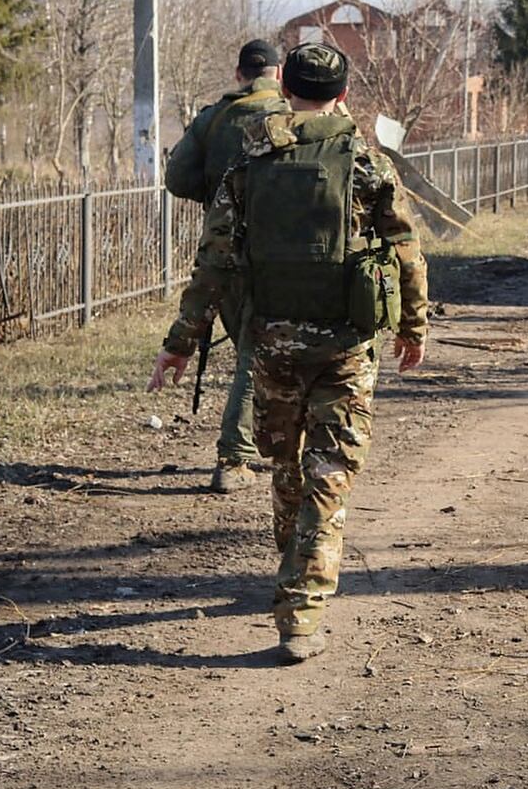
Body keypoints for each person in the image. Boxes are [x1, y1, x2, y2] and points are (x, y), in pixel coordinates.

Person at [148, 41, 429, 663]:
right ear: (344, 94)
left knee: (289, 465)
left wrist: (181, 343)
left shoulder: (251, 158)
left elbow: (216, 258)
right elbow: (406, 247)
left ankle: (292, 568)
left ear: (287, 88)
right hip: (348, 343)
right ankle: (301, 605)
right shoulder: (365, 161)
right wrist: (413, 325)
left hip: (272, 339)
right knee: (331, 472)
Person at [163, 39, 291, 494]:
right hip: (280, 255)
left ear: (239, 74)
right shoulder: (292, 116)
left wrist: (219, 197)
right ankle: (234, 456)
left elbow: (177, 178)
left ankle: (254, 448)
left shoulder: (213, 117)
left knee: (250, 352)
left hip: (223, 253)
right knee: (254, 357)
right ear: (277, 74)